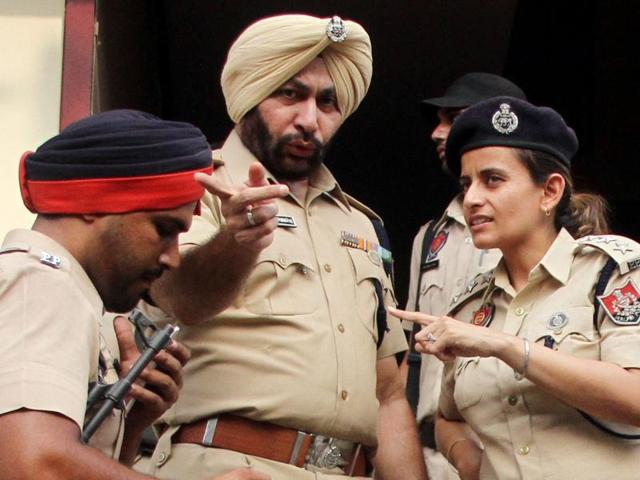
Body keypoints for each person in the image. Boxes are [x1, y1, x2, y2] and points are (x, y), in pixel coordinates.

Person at [142, 14, 426, 480]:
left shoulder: (362, 224)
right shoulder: (198, 186)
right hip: (229, 467)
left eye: (328, 103)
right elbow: (178, 300)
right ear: (251, 96)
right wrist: (237, 240)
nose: (310, 120)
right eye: (290, 94)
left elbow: (389, 394)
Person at [0, 110, 271, 480]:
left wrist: (127, 421)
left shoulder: (58, 289)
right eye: (164, 229)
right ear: (93, 201)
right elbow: (33, 464)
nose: (172, 258)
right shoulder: (42, 283)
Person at [391, 96, 640, 479]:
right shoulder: (470, 308)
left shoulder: (609, 271)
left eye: (493, 179)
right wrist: (469, 461)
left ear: (550, 191)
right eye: (466, 183)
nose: (472, 198)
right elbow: (446, 416)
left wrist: (506, 347)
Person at [405, 73, 526, 479]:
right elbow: (413, 357)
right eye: (438, 120)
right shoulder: (430, 237)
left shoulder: (560, 237)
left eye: (453, 118)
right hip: (436, 453)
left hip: (520, 454)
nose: (439, 132)